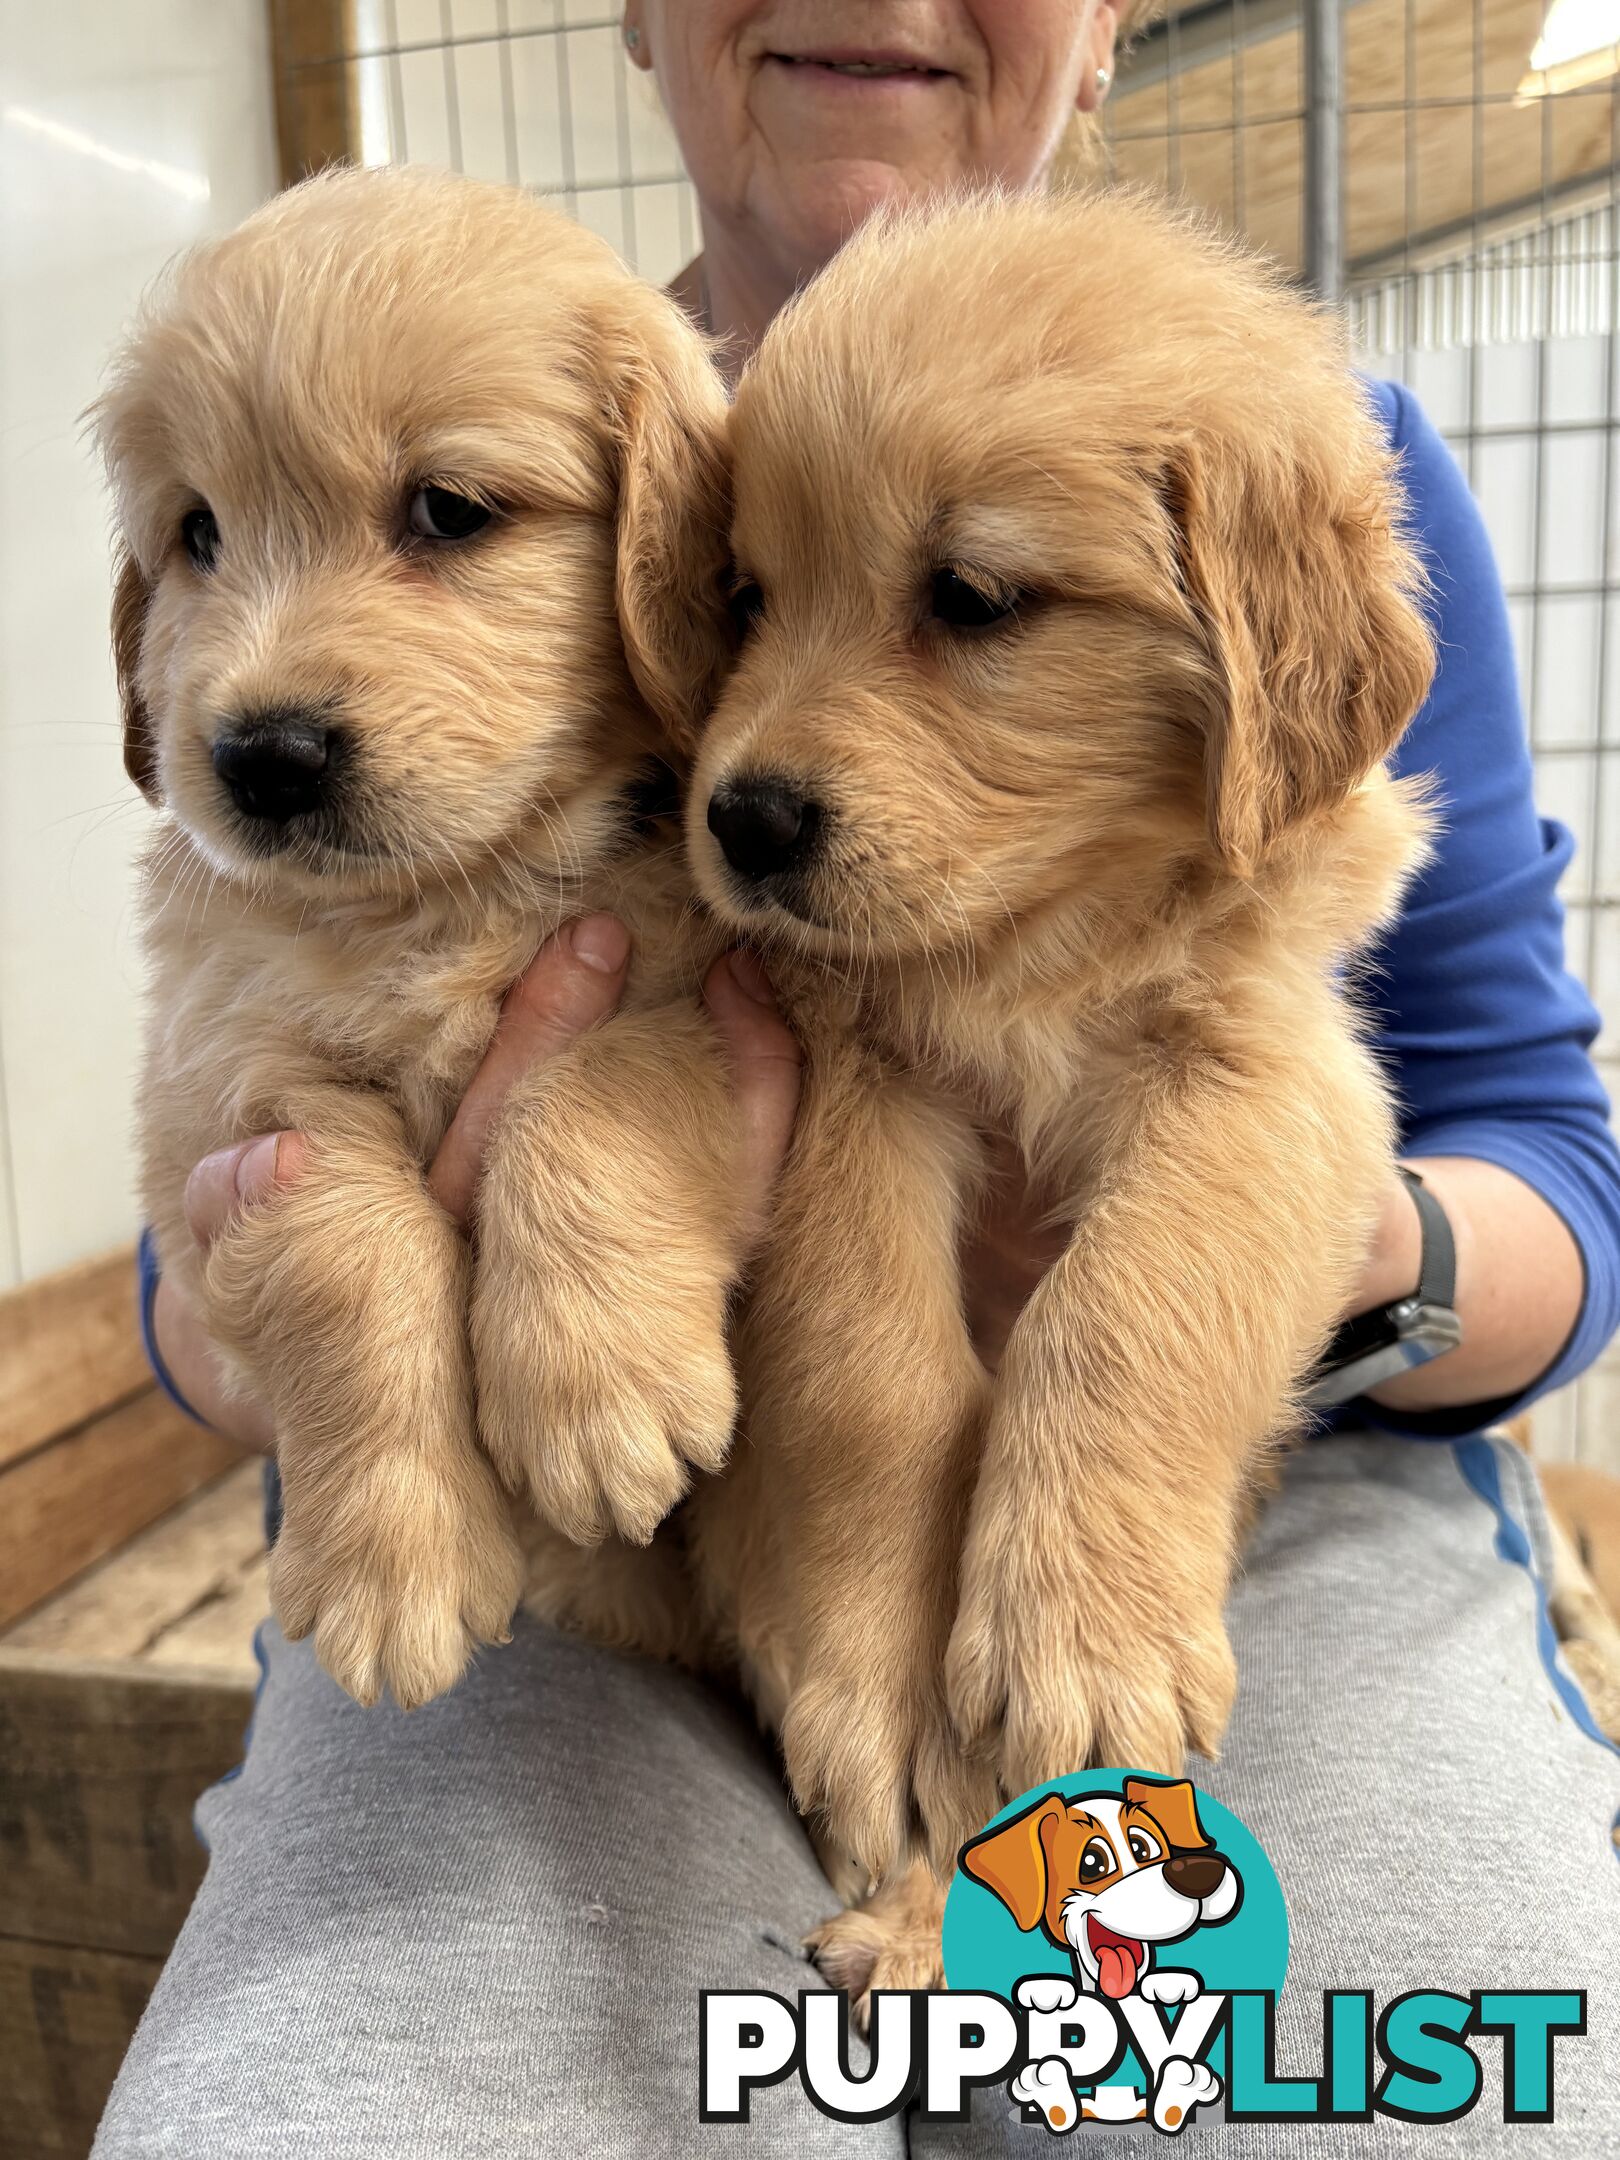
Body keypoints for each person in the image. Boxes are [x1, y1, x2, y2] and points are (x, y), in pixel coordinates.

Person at [98, 5, 1620, 2155]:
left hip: (1286, 1473)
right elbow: (241, 1179)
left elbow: (1535, 1150)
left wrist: (1240, 1301)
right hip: (583, 1539)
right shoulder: (638, 440)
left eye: (980, 596)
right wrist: (354, 1304)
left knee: (1367, 2092)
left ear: (1106, 30)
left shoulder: (1311, 451)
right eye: (742, 599)